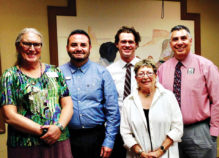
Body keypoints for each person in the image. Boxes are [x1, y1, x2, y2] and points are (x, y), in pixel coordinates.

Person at [0, 28, 73, 158]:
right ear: (18, 46)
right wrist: (45, 131)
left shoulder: (56, 72)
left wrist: (58, 128)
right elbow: (9, 115)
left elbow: (68, 105)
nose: (32, 48)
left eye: (36, 44)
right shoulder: (10, 76)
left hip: (59, 140)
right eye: (27, 43)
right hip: (25, 145)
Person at [157, 25, 219, 158]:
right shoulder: (162, 69)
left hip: (199, 131)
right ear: (170, 44)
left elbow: (217, 100)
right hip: (170, 133)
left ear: (190, 40)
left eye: (183, 38)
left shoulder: (206, 66)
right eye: (175, 39)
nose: (179, 42)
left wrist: (214, 131)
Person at [60, 29, 120, 158]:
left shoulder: (102, 73)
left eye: (83, 45)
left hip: (96, 138)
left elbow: (113, 111)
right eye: (74, 45)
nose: (79, 48)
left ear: (90, 47)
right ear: (67, 48)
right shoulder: (58, 73)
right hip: (66, 137)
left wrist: (109, 141)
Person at [120, 59, 183, 158]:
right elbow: (125, 132)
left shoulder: (168, 97)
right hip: (138, 155)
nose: (145, 77)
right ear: (136, 78)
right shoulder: (128, 101)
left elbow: (177, 128)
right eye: (141, 74)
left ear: (155, 76)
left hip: (166, 154)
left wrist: (160, 151)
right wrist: (140, 153)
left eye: (149, 73)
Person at [107, 26, 141, 158]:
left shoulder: (147, 69)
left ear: (136, 44)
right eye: (123, 42)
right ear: (117, 44)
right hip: (118, 130)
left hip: (141, 128)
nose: (127, 45)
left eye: (131, 42)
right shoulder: (109, 71)